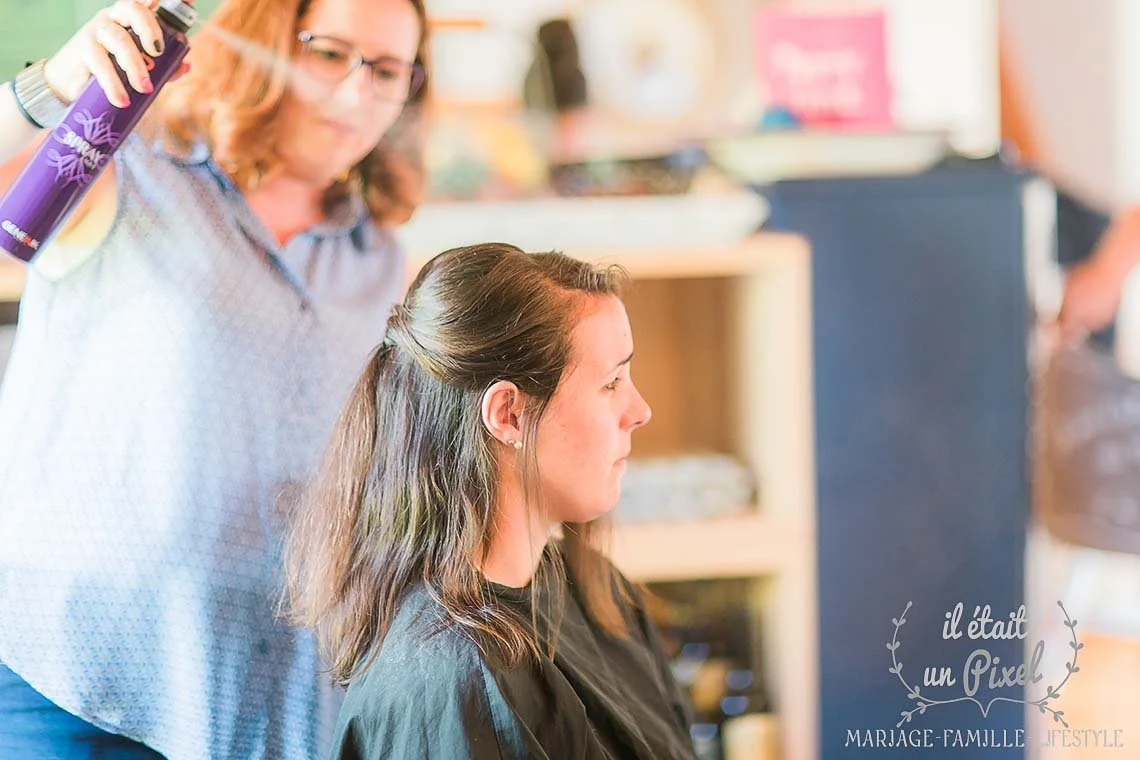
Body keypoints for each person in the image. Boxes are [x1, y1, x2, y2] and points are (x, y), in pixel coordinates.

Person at [0, 0, 429, 756]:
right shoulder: (126, 164)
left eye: (388, 70)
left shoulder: (383, 259)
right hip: (77, 684)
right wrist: (50, 93)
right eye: (330, 53)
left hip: (276, 702)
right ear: (265, 41)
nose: (358, 94)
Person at [285, 242, 700, 759]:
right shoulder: (451, 682)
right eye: (611, 383)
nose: (640, 410)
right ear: (508, 414)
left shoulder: (596, 590)